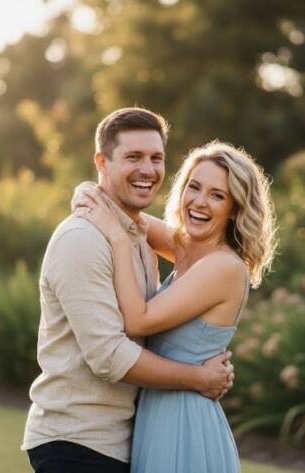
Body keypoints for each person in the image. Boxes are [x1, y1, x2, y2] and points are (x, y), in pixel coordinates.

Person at [21, 107, 235, 473]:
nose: (148, 170)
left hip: (122, 443)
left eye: (156, 158)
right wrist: (199, 377)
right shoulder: (82, 239)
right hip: (77, 443)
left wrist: (93, 193)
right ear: (102, 162)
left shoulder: (134, 233)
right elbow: (109, 356)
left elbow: (181, 245)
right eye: (133, 157)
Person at [74, 140, 277, 473]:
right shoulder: (188, 249)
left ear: (235, 209)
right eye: (194, 187)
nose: (199, 202)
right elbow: (115, 205)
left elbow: (137, 322)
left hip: (185, 423)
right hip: (156, 416)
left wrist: (117, 240)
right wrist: (88, 188)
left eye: (217, 195)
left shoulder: (224, 267)